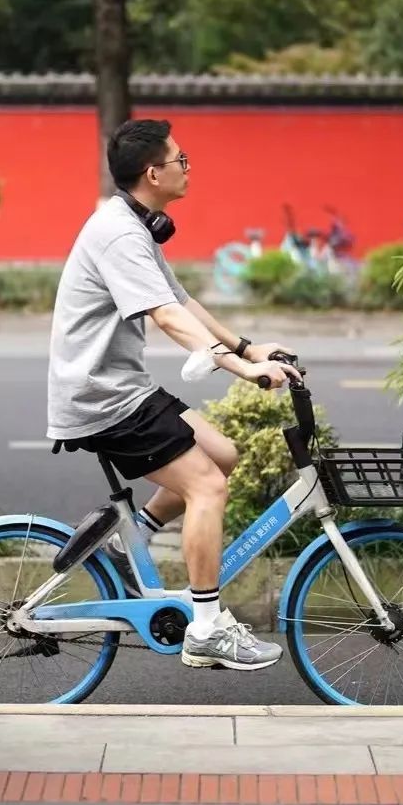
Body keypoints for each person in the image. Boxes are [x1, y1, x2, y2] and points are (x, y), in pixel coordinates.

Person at [47, 118, 299, 671]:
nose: (188, 168)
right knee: (206, 486)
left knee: (224, 457)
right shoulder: (118, 233)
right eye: (181, 160)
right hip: (102, 398)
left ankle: (126, 543)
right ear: (152, 172)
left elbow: (181, 302)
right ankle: (206, 629)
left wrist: (250, 348)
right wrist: (238, 369)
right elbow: (165, 317)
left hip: (122, 387)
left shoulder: (136, 227)